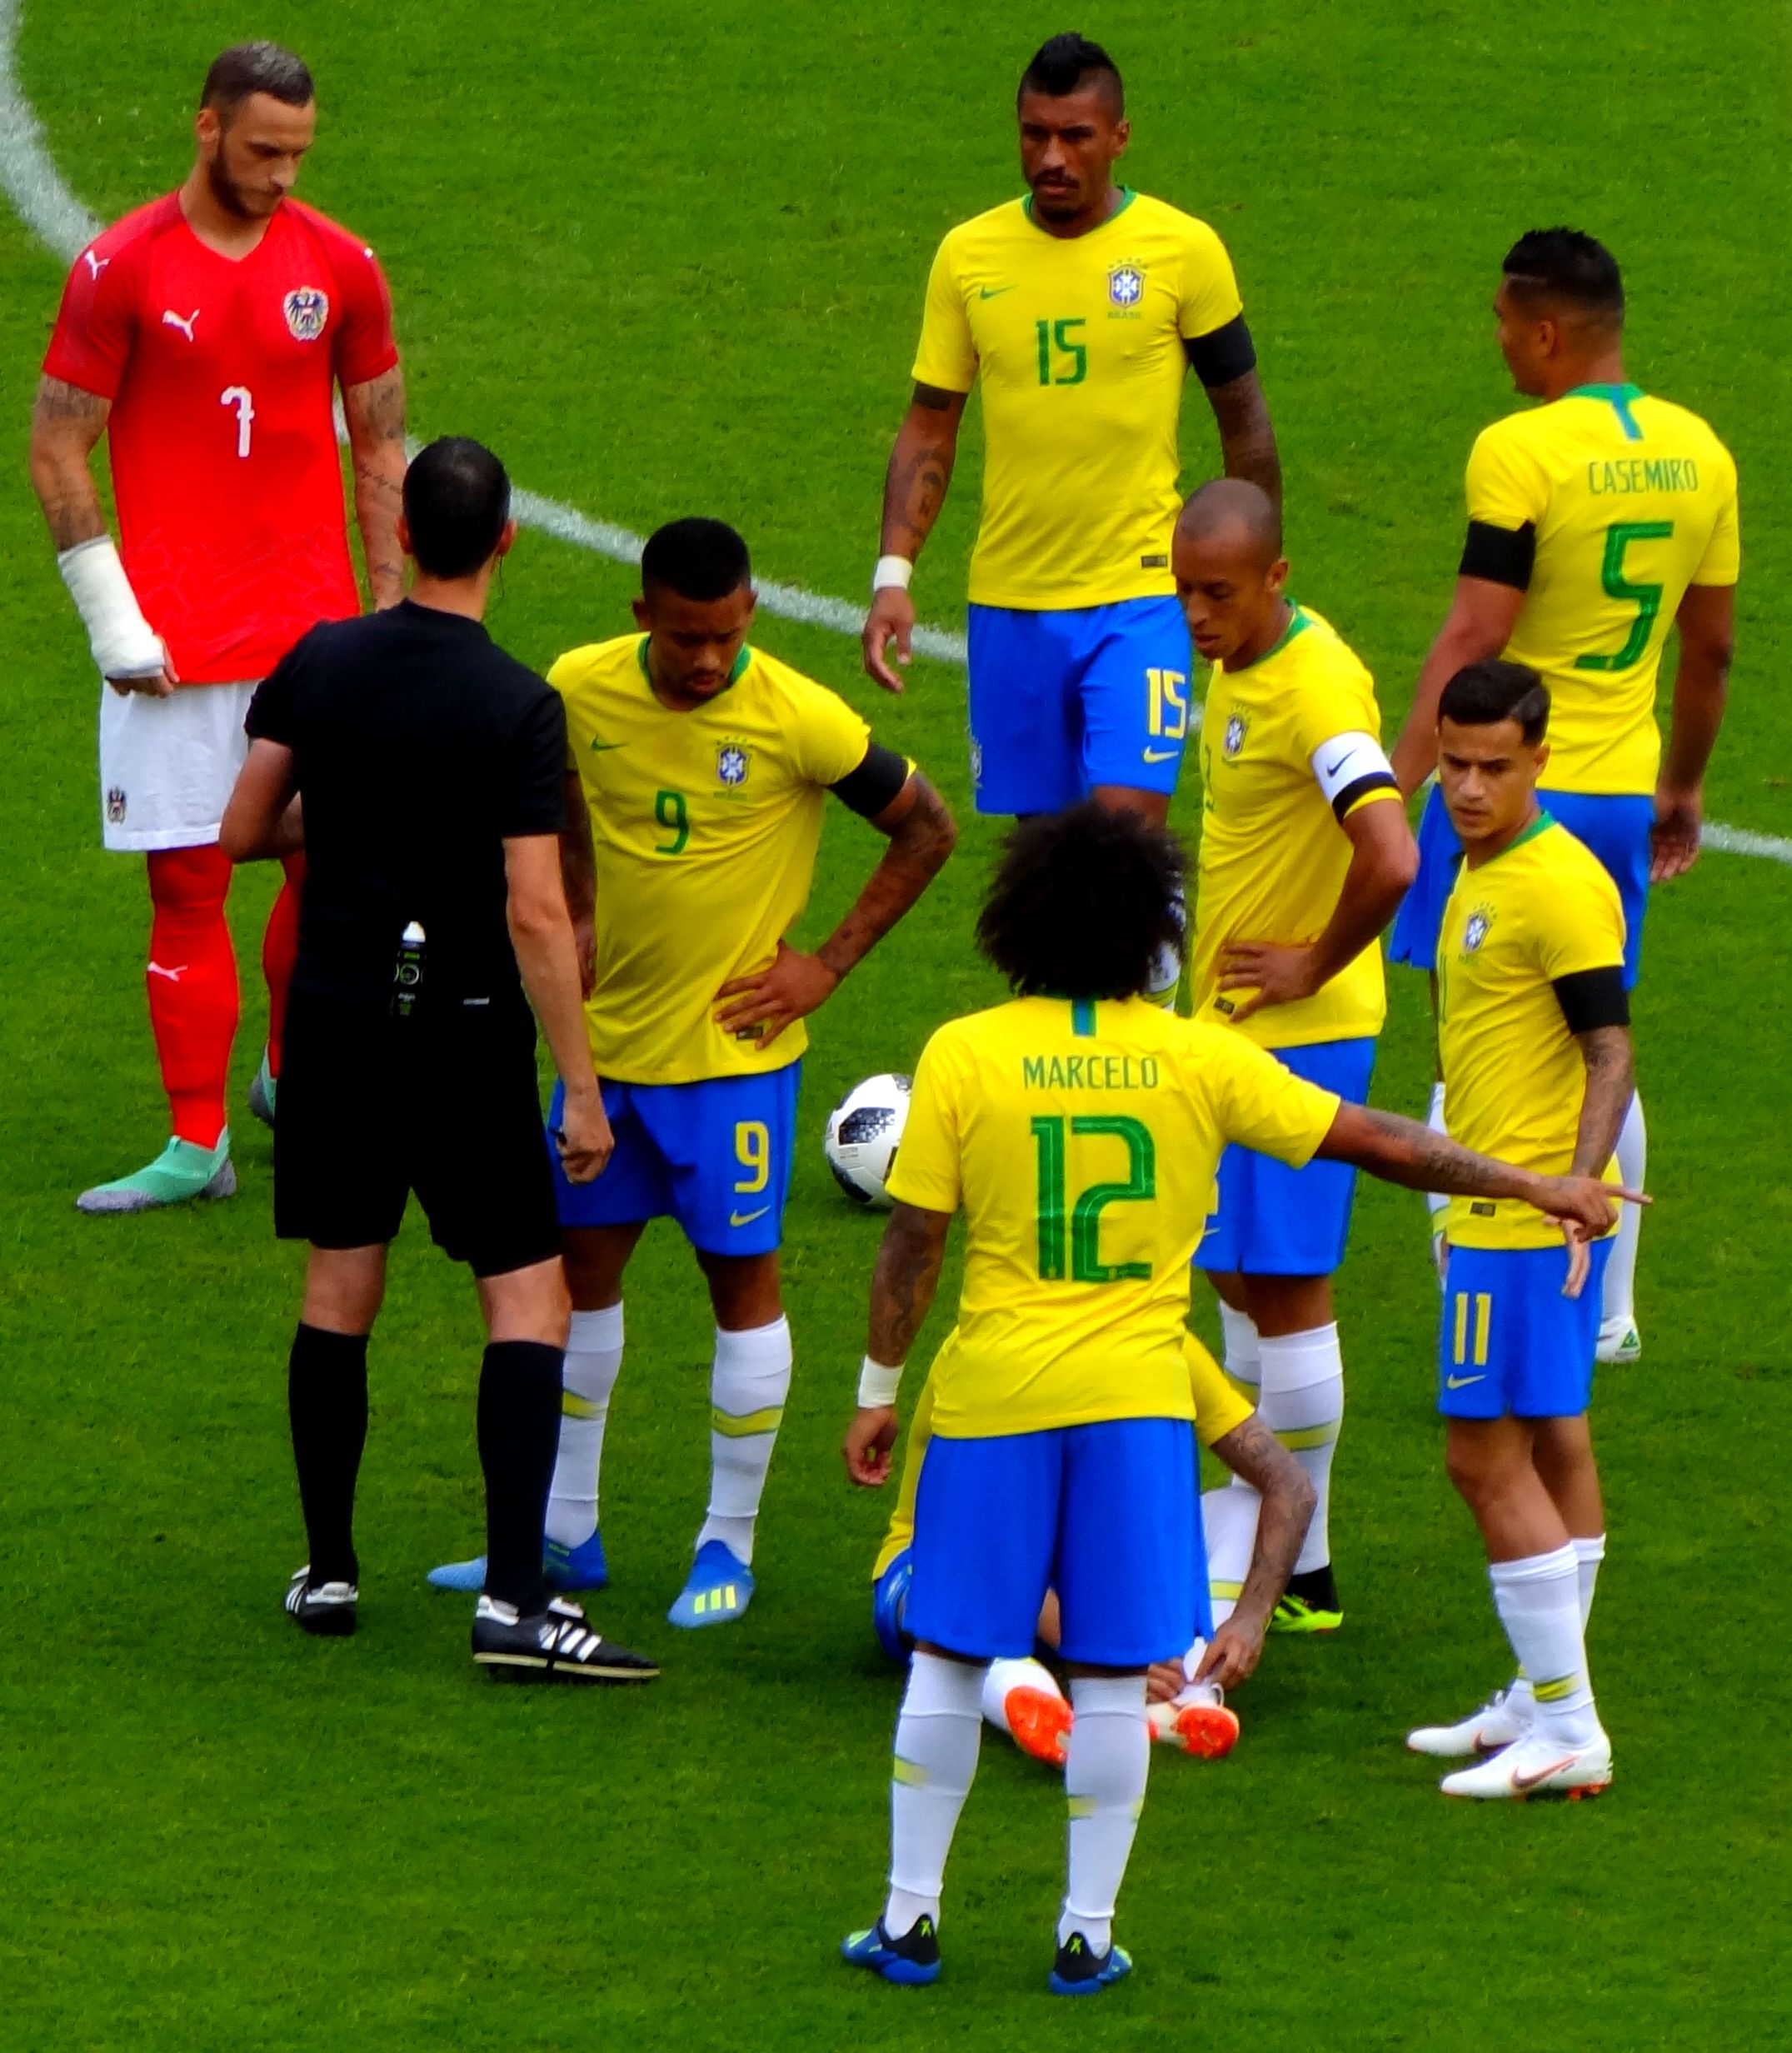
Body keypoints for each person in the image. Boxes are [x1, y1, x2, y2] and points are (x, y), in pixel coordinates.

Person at [835, 803, 1635, 1993]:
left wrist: (878, 1388)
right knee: (1112, 1676)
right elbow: (1376, 1140)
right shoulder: (1195, 1057)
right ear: (1153, 930)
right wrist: (1536, 1182)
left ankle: (907, 1925)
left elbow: (910, 1246)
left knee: (952, 1663)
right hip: (1140, 1406)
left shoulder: (962, 1052)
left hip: (992, 1397)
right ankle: (1084, 1936)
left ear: (1015, 923)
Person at [429, 518, 956, 1627]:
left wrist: (824, 966)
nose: (706, 659)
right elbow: (556, 796)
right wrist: (572, 898)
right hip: (604, 1056)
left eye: (722, 636)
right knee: (578, 1285)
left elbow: (925, 830)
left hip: (733, 1066)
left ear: (749, 617)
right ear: (641, 620)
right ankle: (566, 1530)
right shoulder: (579, 688)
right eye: (683, 638)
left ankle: (729, 1542)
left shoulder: (800, 715)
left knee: (740, 1289)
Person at [219, 438, 652, 1683]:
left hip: (339, 1020)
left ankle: (328, 1568)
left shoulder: (321, 660)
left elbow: (247, 828)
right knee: (526, 1298)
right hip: (460, 1030)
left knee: (337, 1290)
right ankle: (517, 1602)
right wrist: (578, 1085)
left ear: (400, 531)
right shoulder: (517, 703)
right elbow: (532, 906)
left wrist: (352, 821)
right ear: (506, 539)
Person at [30, 40, 407, 1215]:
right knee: (187, 889)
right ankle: (195, 1148)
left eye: (298, 152)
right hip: (172, 649)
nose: (283, 173)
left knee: (326, 868)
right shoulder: (119, 268)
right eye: (261, 150)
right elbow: (56, 444)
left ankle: (290, 1078)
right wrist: (111, 621)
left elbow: (381, 442)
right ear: (204, 128)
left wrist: (391, 611)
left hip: (313, 637)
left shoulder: (341, 265)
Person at [1386, 228, 1738, 1363]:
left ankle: (1468, 1266)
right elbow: (1712, 650)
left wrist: (1394, 788)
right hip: (1617, 794)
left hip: (1510, 783)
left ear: (1544, 330)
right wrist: (1677, 785)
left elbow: (1473, 632)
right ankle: (1614, 1310)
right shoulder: (1701, 453)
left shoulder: (1518, 449)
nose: (1493, 340)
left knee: (1466, 1044)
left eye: (1500, 322)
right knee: (1600, 1035)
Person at [861, 31, 1276, 980]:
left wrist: (1250, 586)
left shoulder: (1183, 251)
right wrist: (893, 574)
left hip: (1139, 601)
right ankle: (1059, 1066)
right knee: (1046, 863)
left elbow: (1243, 420)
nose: (1052, 157)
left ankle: (1148, 1048)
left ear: (1120, 136)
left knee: (1123, 849)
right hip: (1009, 605)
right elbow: (929, 426)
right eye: (1034, 135)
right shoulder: (968, 257)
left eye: (1076, 136)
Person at [1176, 480, 1417, 1632]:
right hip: (1229, 1031)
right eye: (1180, 592)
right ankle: (1258, 1516)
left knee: (1287, 1288)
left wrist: (1311, 966)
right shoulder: (1237, 666)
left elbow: (1389, 854)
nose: (1193, 615)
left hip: (1299, 1038)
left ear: (1275, 578)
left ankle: (1300, 1561)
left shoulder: (1316, 685)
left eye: (1215, 594)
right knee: (1231, 1270)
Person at [1404, 661, 1640, 1798]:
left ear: (1539, 761)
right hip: (1491, 1210)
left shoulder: (1553, 885)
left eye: (1493, 767)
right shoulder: (1475, 868)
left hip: (1525, 1219)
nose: (1465, 786)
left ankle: (1567, 1724)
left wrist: (1577, 1184)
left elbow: (1608, 1048)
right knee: (1551, 1445)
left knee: (1478, 1456)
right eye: (1451, 763)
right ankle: (1536, 1695)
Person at [868, 1328, 1317, 1767]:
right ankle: (1029, 1697)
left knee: (1244, 1509)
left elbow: (1290, 1488)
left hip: (1095, 1571)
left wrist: (1249, 1620)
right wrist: (1111, 1646)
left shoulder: (1165, 1343)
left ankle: (1190, 1688)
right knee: (956, 1601)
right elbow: (972, 1535)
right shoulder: (985, 1349)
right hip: (952, 1560)